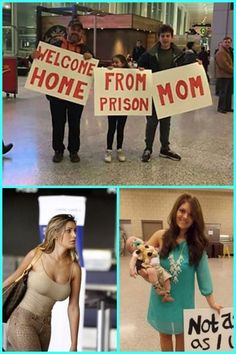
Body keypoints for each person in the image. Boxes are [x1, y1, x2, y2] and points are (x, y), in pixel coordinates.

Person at [140, 193, 222, 351]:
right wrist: (147, 274)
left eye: (190, 214)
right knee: (164, 335)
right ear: (175, 210)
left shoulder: (197, 245)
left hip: (184, 302)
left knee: (182, 336)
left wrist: (212, 303)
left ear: (195, 219)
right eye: (182, 210)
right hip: (161, 300)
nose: (185, 216)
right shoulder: (160, 235)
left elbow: (204, 277)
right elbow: (140, 257)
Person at [3, 214, 81, 351]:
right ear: (56, 233)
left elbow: (73, 307)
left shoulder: (74, 268)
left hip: (45, 327)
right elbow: (13, 278)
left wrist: (73, 344)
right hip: (22, 320)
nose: (74, 235)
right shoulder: (37, 254)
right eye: (69, 231)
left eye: (75, 231)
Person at [33, 18, 93, 163]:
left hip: (75, 96)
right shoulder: (55, 44)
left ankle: (74, 151)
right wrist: (34, 57)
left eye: (78, 30)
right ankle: (58, 150)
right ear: (67, 29)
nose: (75, 32)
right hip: (57, 95)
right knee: (58, 123)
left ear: (81, 33)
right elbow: (41, 60)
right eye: (73, 28)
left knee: (74, 124)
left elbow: (92, 70)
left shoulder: (86, 49)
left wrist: (90, 59)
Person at [138, 24, 184, 163]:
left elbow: (187, 69)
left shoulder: (179, 54)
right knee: (151, 122)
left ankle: (165, 148)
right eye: (162, 36)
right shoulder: (149, 54)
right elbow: (140, 65)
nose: (165, 38)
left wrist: (197, 65)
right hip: (153, 92)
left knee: (166, 122)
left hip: (169, 93)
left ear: (172, 37)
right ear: (159, 37)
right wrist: (140, 69)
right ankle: (148, 148)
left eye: (167, 36)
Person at [104, 54, 129, 163]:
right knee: (111, 128)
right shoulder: (109, 72)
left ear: (123, 64)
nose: (114, 64)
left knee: (120, 128)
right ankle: (109, 149)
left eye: (117, 62)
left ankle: (119, 149)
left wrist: (140, 71)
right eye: (113, 62)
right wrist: (106, 71)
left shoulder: (129, 74)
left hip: (123, 106)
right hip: (112, 106)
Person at [215, 36, 233, 113]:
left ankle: (227, 107)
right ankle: (221, 108)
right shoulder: (221, 52)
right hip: (223, 76)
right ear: (222, 43)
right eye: (225, 42)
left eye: (229, 42)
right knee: (223, 93)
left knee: (229, 93)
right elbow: (224, 65)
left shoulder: (228, 51)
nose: (227, 44)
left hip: (229, 75)